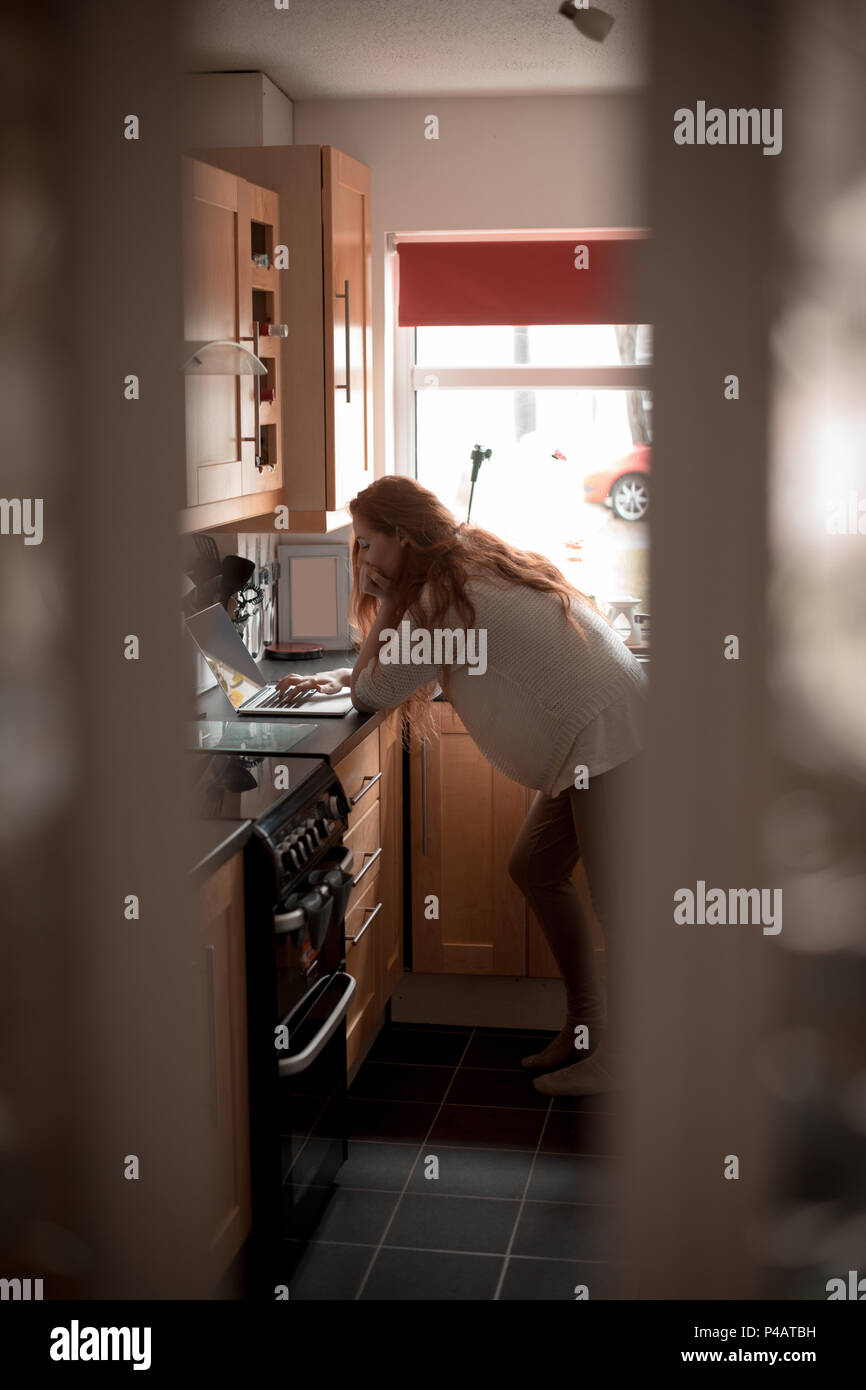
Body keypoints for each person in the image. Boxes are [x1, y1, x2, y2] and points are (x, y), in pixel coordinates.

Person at [276, 475, 648, 1095]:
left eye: (368, 544)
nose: (362, 560)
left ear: (401, 537)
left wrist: (386, 611)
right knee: (534, 866)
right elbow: (385, 674)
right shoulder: (465, 560)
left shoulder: (434, 599)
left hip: (610, 742)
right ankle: (587, 1028)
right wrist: (346, 674)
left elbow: (378, 689)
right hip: (606, 726)